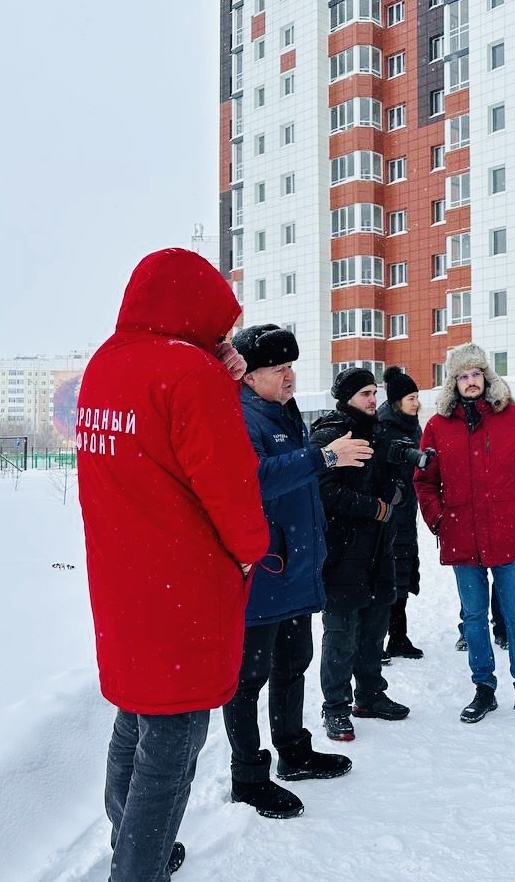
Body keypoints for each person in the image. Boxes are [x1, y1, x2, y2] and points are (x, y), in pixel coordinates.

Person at [77, 248, 270, 881]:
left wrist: (219, 370)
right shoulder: (190, 373)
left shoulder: (105, 364)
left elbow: (154, 448)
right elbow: (230, 486)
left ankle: (129, 844)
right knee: (173, 741)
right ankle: (140, 868)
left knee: (136, 717)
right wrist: (251, 552)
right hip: (183, 584)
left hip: (124, 580)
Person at [225, 324, 371, 819]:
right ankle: (248, 776)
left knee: (293, 664)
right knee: (249, 679)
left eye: (291, 367)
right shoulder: (241, 417)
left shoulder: (282, 412)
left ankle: (293, 751)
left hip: (296, 568)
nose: (289, 376)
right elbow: (254, 480)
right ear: (249, 376)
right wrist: (326, 456)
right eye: (277, 369)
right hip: (263, 573)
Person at [414, 343, 515, 725]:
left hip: (506, 534)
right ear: (454, 382)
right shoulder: (437, 426)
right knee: (474, 618)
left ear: (485, 376)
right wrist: (439, 520)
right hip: (461, 536)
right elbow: (424, 481)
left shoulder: (511, 416)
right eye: (463, 375)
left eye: (476, 373)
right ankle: (483, 688)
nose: (470, 381)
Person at [310, 367, 413, 742]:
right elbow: (323, 491)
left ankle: (370, 696)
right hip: (341, 552)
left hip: (379, 550)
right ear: (347, 398)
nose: (373, 399)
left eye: (374, 392)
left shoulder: (380, 432)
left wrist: (396, 491)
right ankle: (335, 707)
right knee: (341, 634)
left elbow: (395, 482)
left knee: (374, 629)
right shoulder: (329, 435)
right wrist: (375, 508)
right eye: (365, 393)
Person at [376, 366, 427, 660]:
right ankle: (377, 640)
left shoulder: (411, 425)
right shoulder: (384, 427)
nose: (416, 403)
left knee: (403, 575)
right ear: (397, 402)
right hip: (388, 514)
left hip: (406, 511)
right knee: (387, 576)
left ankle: (398, 636)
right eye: (411, 398)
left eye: (417, 397)